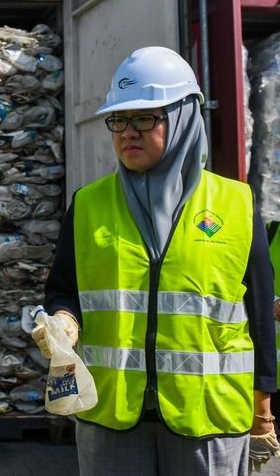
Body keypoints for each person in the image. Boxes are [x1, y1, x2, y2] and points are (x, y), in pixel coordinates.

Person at [32, 46, 278, 475]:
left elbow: (258, 318)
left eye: (145, 118)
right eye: (119, 121)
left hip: (208, 420)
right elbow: (63, 291)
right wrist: (63, 320)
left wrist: (263, 414)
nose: (128, 132)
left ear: (183, 117)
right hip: (111, 417)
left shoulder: (236, 205)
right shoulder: (88, 204)